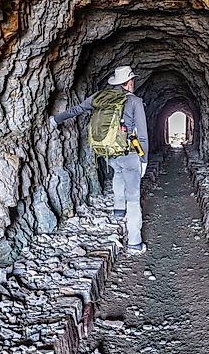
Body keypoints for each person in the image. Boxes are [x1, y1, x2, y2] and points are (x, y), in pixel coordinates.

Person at [49, 65, 149, 255]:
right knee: (134, 198)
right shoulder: (135, 101)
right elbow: (142, 134)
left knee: (117, 174)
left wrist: (56, 120)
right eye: (132, 81)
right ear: (128, 83)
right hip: (130, 153)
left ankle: (119, 212)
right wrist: (144, 159)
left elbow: (77, 110)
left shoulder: (99, 97)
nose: (133, 83)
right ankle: (135, 243)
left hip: (109, 152)